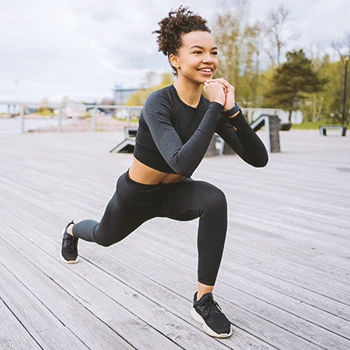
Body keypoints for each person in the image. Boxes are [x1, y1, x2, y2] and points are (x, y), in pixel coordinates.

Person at [60, 6, 268, 338]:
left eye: (213, 52)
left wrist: (231, 110)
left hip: (173, 194)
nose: (208, 59)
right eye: (197, 51)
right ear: (175, 59)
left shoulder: (209, 106)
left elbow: (258, 159)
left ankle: (204, 299)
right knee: (103, 236)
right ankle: (72, 229)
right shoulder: (160, 103)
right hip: (135, 196)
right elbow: (180, 161)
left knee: (214, 200)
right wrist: (215, 107)